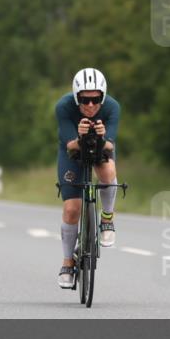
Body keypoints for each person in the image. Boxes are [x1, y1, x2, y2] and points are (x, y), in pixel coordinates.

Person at [55, 68, 121, 289]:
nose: (91, 105)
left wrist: (101, 137)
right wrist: (80, 136)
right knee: (72, 209)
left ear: (103, 96)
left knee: (108, 173)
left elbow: (110, 145)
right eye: (84, 99)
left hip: (101, 147)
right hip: (73, 153)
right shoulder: (64, 107)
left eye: (96, 99)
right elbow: (70, 145)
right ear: (76, 97)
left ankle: (107, 218)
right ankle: (67, 261)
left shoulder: (112, 107)